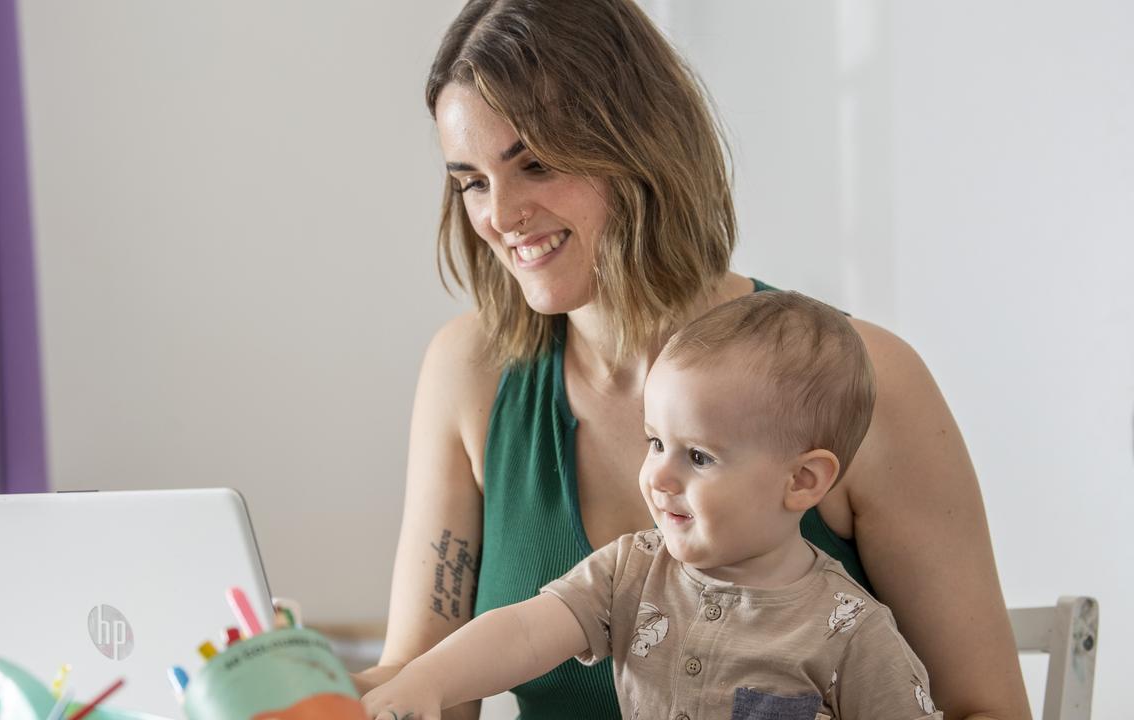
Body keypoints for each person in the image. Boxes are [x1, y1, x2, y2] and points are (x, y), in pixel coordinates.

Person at [352, 1, 1030, 719]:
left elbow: (985, 708)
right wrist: (283, 677)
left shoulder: (867, 378)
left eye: (538, 164)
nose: (500, 214)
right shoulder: (470, 371)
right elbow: (420, 683)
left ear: (637, 143)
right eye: (472, 181)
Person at [362, 292, 943, 720]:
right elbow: (521, 634)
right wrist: (427, 681)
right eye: (656, 443)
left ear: (802, 480)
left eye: (699, 456)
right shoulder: (630, 572)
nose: (659, 475)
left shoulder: (853, 632)